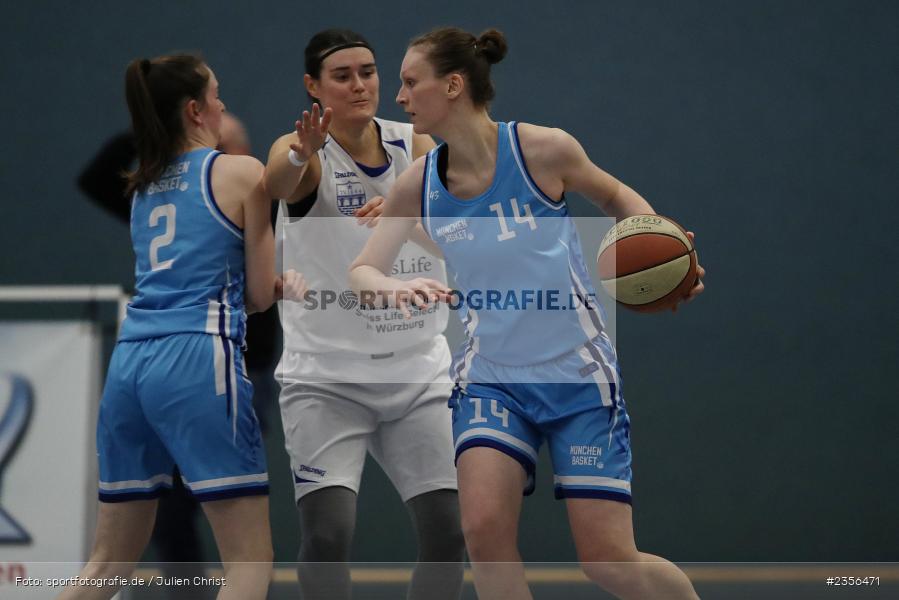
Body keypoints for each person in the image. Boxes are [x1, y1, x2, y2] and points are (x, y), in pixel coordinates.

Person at [350, 27, 706, 600]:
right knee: (484, 532)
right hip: (493, 379)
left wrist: (668, 248)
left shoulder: (543, 149)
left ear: (455, 84)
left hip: (576, 375)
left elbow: (616, 198)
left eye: (411, 81)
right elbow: (363, 270)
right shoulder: (417, 184)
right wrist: (391, 287)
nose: (399, 96)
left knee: (608, 562)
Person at [59, 53, 286, 600]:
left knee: (107, 564)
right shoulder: (241, 171)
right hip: (197, 358)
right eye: (216, 94)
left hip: (130, 362)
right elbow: (257, 297)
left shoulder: (143, 185)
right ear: (194, 109)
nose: (223, 103)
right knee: (250, 563)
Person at [265, 29, 464, 600]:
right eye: (342, 76)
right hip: (327, 377)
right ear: (312, 86)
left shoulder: (416, 144)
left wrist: (405, 219)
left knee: (449, 534)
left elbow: (454, 234)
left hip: (417, 371)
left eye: (368, 72)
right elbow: (279, 179)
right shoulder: (301, 147)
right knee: (328, 538)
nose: (359, 85)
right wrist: (303, 151)